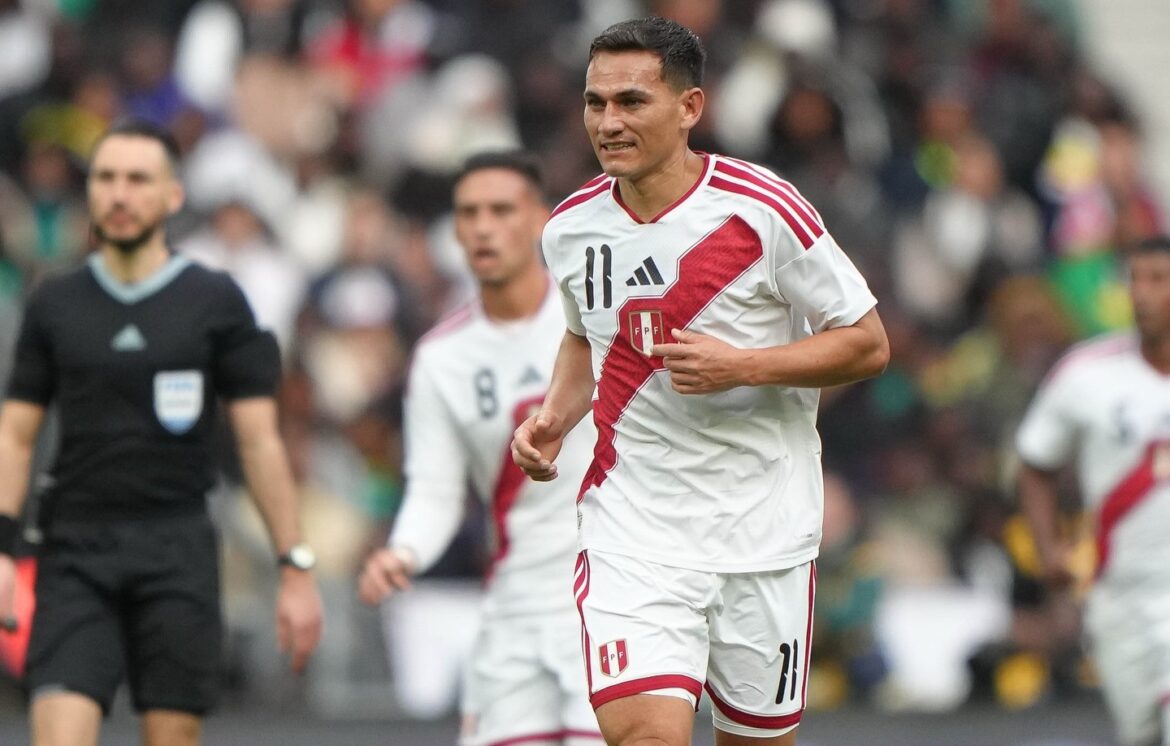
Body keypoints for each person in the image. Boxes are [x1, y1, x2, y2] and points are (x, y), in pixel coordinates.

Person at [511, 16, 889, 746]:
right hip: (634, 533)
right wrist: (554, 417)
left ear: (689, 107)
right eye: (595, 103)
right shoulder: (570, 228)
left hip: (765, 535)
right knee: (646, 735)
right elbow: (585, 338)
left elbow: (867, 344)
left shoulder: (763, 209)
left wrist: (744, 365)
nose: (608, 122)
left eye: (631, 101)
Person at [0, 120, 323, 746]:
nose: (119, 194)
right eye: (106, 178)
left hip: (177, 550)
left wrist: (294, 565)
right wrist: (4, 549)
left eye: (137, 179)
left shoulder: (216, 301)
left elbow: (260, 441)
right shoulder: (54, 303)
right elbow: (15, 432)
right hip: (75, 551)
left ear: (173, 196)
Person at [358, 151, 603, 746]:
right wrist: (404, 551)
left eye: (501, 210)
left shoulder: (601, 322)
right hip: (515, 601)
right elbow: (435, 489)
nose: (484, 227)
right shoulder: (442, 358)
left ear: (541, 219)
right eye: (469, 213)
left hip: (610, 593)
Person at [1017, 236, 1170, 746]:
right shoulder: (1088, 373)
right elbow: (1035, 461)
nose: (1142, 294)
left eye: (1158, 280)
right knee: (1140, 734)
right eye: (1136, 280)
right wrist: (1048, 548)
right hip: (1118, 597)